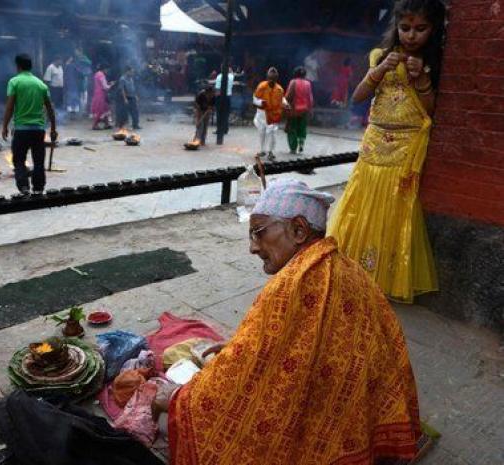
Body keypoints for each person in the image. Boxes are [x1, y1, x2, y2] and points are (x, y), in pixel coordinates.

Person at [160, 179, 424, 465]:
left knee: (193, 415)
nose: (252, 247)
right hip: (366, 417)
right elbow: (293, 346)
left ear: (299, 230)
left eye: (258, 234)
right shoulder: (347, 268)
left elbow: (243, 383)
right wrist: (235, 347)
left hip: (329, 430)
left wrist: (178, 399)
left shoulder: (294, 283)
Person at [328, 0, 445, 303]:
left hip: (405, 150)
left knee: (394, 208)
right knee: (361, 202)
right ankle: (353, 268)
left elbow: (432, 111)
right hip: (374, 142)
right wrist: (379, 69)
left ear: (433, 30)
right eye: (405, 28)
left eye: (421, 29)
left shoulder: (435, 63)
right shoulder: (379, 55)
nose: (411, 35)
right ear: (396, 27)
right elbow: (357, 97)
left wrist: (421, 79)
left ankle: (386, 276)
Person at [2, 53, 57, 195]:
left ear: (18, 66)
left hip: (21, 130)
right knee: (39, 160)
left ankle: (24, 187)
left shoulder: (14, 82)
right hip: (38, 130)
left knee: (19, 160)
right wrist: (53, 129)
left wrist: (4, 126)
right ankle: (38, 188)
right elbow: (50, 108)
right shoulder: (41, 84)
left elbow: (9, 107)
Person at [253, 67, 286, 160]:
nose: (272, 81)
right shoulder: (261, 86)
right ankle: (262, 150)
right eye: (270, 79)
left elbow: (282, 98)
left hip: (273, 115)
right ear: (267, 78)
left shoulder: (279, 89)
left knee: (272, 134)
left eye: (274, 79)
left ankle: (271, 152)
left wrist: (286, 104)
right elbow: (255, 99)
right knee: (262, 133)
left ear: (276, 79)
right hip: (262, 115)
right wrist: (260, 103)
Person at [285, 66, 314, 154]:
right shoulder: (308, 83)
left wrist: (285, 104)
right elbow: (310, 98)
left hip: (294, 110)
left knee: (292, 128)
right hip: (304, 109)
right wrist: (310, 109)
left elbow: (288, 96)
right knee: (302, 127)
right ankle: (301, 143)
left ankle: (293, 148)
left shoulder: (293, 82)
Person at [117, 66, 140, 130]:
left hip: (132, 96)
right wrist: (125, 99)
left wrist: (136, 96)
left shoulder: (131, 78)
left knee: (135, 111)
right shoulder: (122, 79)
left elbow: (133, 88)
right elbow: (122, 90)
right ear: (127, 71)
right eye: (131, 72)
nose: (132, 73)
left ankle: (135, 125)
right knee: (124, 112)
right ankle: (121, 126)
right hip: (127, 97)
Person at [90, 64, 113, 130]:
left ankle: (107, 124)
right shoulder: (101, 75)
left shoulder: (97, 74)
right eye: (107, 69)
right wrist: (110, 85)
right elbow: (105, 87)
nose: (108, 71)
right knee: (100, 110)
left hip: (98, 93)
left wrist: (108, 84)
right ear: (104, 69)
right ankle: (95, 125)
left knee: (105, 108)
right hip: (101, 95)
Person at [214, 65, 234, 135]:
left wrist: (215, 99)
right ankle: (225, 129)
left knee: (219, 114)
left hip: (220, 97)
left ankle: (219, 129)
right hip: (228, 97)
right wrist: (229, 69)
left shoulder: (219, 76)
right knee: (226, 114)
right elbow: (231, 72)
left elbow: (217, 89)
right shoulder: (231, 76)